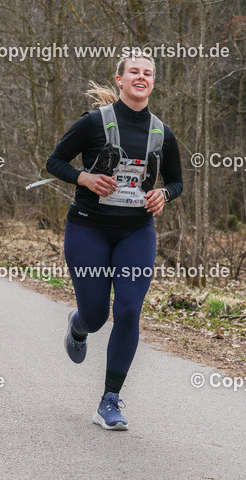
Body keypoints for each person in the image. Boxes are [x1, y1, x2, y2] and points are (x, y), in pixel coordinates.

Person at [46, 55, 182, 431]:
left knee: (127, 310)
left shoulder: (162, 133)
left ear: (153, 83)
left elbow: (176, 181)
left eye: (148, 73)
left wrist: (164, 195)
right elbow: (54, 162)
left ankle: (109, 400)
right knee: (96, 316)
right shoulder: (94, 123)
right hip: (88, 228)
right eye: (135, 72)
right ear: (120, 79)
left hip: (136, 232)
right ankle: (78, 325)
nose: (142, 77)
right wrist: (84, 179)